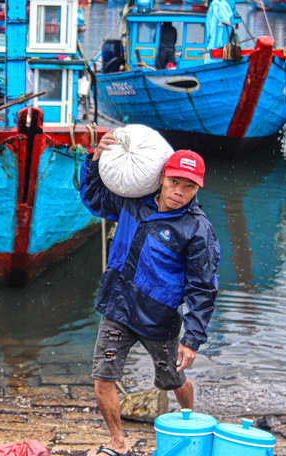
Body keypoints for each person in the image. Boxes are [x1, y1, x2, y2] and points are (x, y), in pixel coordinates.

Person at [80, 132, 220, 456]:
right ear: (161, 177)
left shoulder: (197, 230)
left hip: (159, 318)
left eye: (189, 187)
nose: (179, 192)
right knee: (103, 379)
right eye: (174, 182)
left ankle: (190, 422)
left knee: (172, 379)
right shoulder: (131, 201)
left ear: (198, 189)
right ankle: (118, 442)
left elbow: (203, 288)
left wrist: (192, 339)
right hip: (117, 307)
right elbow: (94, 198)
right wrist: (96, 158)